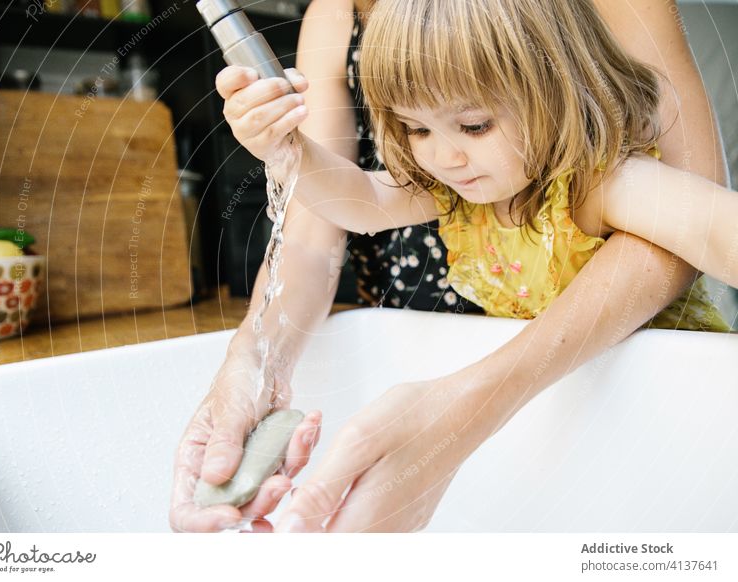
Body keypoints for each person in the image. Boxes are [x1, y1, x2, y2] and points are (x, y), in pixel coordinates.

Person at [170, 0, 734, 533]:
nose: (443, 156)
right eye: (416, 129)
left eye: (473, 126)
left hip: (667, 405)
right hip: (566, 397)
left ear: (556, 89)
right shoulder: (455, 193)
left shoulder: (604, 186)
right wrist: (288, 150)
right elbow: (353, 202)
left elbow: (714, 228)